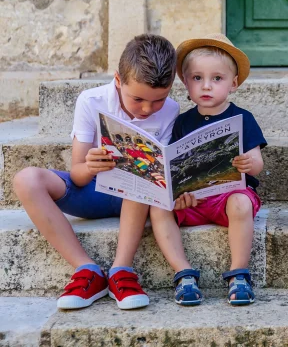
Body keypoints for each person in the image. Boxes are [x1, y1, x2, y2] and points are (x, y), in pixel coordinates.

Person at [13, 34, 179, 310]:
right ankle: (87, 270)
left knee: (140, 171)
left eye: (158, 100)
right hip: (94, 191)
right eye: (138, 99)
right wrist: (90, 166)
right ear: (117, 80)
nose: (148, 109)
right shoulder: (91, 101)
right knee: (26, 179)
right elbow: (77, 174)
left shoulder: (171, 110)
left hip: (141, 199)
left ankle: (121, 270)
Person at [148, 33, 267, 306]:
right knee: (158, 207)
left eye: (217, 78)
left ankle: (239, 274)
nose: (206, 86)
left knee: (240, 202)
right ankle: (183, 274)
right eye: (197, 78)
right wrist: (177, 193)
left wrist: (249, 164)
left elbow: (257, 164)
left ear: (233, 84)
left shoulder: (242, 118)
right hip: (193, 200)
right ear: (186, 83)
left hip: (228, 196)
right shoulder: (182, 122)